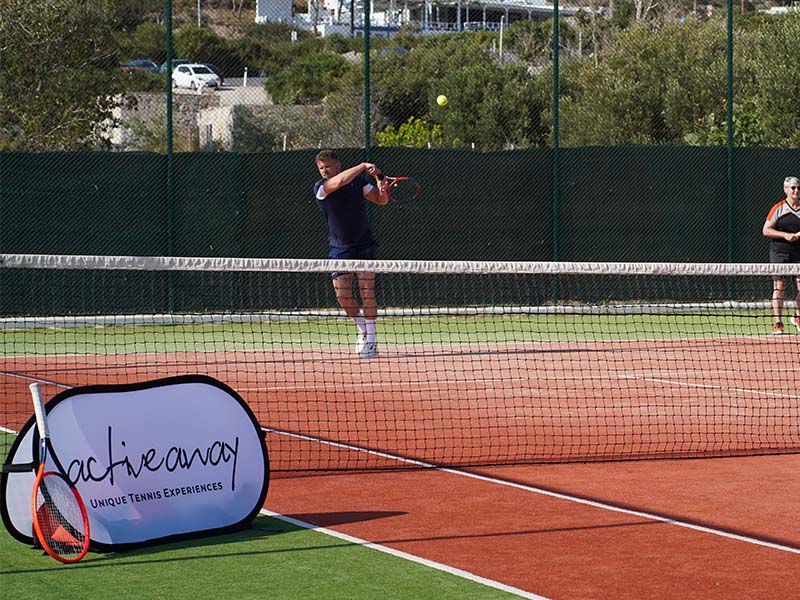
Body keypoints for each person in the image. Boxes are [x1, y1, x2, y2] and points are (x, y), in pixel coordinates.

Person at [313, 150, 389, 357]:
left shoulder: (359, 184)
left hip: (365, 245)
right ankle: (363, 328)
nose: (324, 171)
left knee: (367, 291)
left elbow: (381, 200)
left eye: (328, 166)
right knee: (343, 296)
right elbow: (338, 182)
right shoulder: (321, 187)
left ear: (337, 165)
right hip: (340, 248)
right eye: (321, 168)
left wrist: (380, 184)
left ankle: (372, 340)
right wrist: (364, 166)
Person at [762, 176, 800, 334]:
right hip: (779, 251)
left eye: (798, 188)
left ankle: (797, 316)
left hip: (798, 252)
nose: (796, 190)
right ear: (786, 190)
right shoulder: (778, 208)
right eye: (793, 188)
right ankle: (778, 323)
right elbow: (766, 230)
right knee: (779, 286)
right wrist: (785, 236)